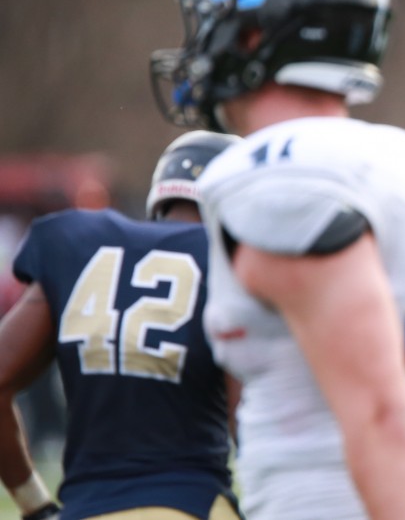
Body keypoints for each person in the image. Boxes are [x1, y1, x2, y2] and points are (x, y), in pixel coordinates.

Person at [149, 0, 405, 518]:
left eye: (214, 21)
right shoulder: (394, 156)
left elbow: (379, 417)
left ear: (252, 37)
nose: (199, 44)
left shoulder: (282, 175)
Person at [0, 130, 242, 520]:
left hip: (84, 510)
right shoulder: (229, 264)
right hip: (190, 505)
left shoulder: (79, 245)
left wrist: (33, 505)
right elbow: (247, 420)